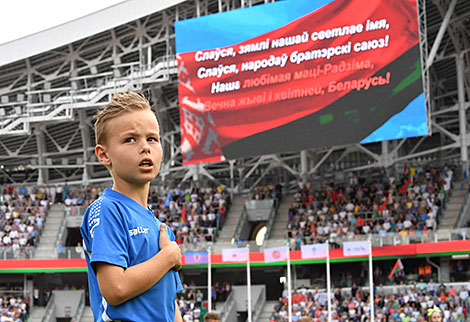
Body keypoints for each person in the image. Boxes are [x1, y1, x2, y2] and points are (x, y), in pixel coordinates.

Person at [80, 92, 183, 321]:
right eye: (130, 139)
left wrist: (168, 254)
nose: (145, 147)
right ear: (104, 155)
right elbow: (116, 289)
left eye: (152, 139)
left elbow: (169, 304)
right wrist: (168, 256)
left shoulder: (160, 228)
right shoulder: (107, 210)